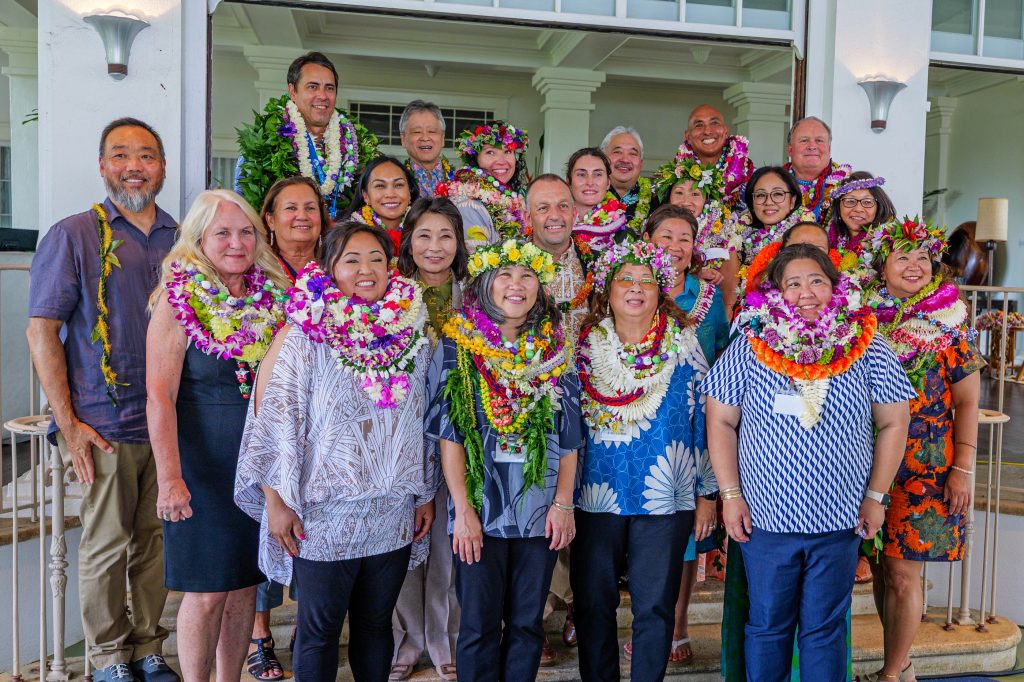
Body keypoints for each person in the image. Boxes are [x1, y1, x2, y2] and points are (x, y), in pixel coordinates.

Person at [702, 244, 916, 681]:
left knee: (824, 630)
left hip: (840, 517)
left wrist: (876, 496)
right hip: (766, 519)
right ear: (777, 293)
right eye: (793, 283)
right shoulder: (751, 344)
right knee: (767, 626)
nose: (806, 293)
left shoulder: (867, 345)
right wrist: (730, 495)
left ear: (835, 287)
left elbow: (895, 421)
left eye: (817, 281)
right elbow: (720, 420)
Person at [235, 221, 436, 680]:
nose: (366, 270)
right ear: (329, 269)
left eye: (377, 259)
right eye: (352, 260)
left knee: (375, 624)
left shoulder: (413, 336)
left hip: (390, 512)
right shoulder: (304, 337)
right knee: (320, 630)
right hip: (322, 516)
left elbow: (423, 422)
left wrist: (424, 493)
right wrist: (276, 501)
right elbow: (276, 420)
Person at [26, 118, 179, 682]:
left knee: (155, 544)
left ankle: (148, 647)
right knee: (106, 545)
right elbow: (42, 331)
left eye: (146, 156)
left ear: (162, 167)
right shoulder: (73, 235)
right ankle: (110, 658)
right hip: (104, 422)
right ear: (102, 166)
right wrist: (68, 424)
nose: (134, 166)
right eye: (120, 155)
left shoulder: (183, 238)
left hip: (168, 423)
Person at [147, 190, 289, 682]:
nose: (236, 242)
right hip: (201, 466)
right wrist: (170, 478)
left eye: (246, 231)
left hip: (257, 467)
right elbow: (158, 396)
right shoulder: (178, 299)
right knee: (207, 592)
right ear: (198, 239)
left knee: (245, 586)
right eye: (222, 233)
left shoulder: (272, 297)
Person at [426, 237, 582, 681]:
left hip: (540, 511)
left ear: (540, 287)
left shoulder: (556, 351)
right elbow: (450, 437)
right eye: (506, 275)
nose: (517, 284)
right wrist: (462, 510)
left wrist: (563, 503)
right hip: (479, 509)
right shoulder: (458, 348)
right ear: (485, 284)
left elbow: (570, 438)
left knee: (527, 624)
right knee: (477, 626)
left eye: (527, 275)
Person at [573, 237, 716, 680]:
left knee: (655, 606)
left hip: (666, 496)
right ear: (608, 290)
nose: (636, 288)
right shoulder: (584, 348)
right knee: (593, 603)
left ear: (660, 292)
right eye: (625, 279)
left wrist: (708, 495)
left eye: (646, 280)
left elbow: (704, 420)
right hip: (595, 494)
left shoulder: (685, 345)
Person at [859, 217, 984, 682]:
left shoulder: (949, 324)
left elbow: (968, 401)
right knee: (880, 567)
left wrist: (963, 467)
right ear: (882, 267)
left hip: (925, 468)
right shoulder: (863, 321)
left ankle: (892, 675)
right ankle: (901, 665)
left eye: (922, 258)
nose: (914, 265)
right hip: (868, 463)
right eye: (902, 257)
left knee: (903, 573)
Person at [633, 204, 728, 664]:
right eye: (664, 237)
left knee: (686, 534)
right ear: (647, 241)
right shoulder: (630, 286)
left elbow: (723, 356)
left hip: (691, 429)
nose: (674, 247)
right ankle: (647, 622)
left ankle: (677, 626)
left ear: (694, 248)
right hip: (636, 424)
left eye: (684, 239)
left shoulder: (708, 298)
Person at [390, 197, 469, 681]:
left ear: (459, 242)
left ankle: (445, 638)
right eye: (424, 235)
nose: (435, 246)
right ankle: (405, 640)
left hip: (458, 437)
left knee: (448, 544)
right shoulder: (389, 296)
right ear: (408, 242)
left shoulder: (477, 296)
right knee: (402, 543)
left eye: (445, 235)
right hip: (400, 440)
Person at [235, 51, 378, 218]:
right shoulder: (264, 145)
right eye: (312, 87)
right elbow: (246, 212)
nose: (322, 95)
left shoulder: (355, 144)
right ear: (292, 91)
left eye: (329, 88)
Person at [437, 120, 528, 251]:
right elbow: (476, 259)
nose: (501, 161)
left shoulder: (514, 199)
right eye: (490, 152)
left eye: (508, 151)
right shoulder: (468, 204)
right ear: (475, 158)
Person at [527, 173, 590, 345]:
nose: (555, 215)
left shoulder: (598, 263)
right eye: (543, 208)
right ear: (528, 217)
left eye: (563, 206)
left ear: (574, 214)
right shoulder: (506, 267)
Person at [655, 154, 732, 284]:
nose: (686, 202)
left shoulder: (723, 232)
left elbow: (730, 287)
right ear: (668, 198)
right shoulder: (654, 227)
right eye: (679, 192)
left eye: (695, 194)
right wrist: (695, 274)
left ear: (706, 200)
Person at [674, 104, 754, 210]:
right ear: (688, 136)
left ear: (725, 131)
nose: (707, 131)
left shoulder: (752, 177)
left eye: (714, 123)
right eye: (699, 125)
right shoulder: (673, 178)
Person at [347, 155, 421, 254]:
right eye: (380, 186)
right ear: (366, 196)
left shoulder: (423, 226)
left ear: (410, 193)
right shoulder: (348, 235)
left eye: (399, 185)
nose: (390, 194)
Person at [784, 116, 852, 220]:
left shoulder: (849, 185)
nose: (812, 146)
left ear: (829, 149)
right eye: (804, 140)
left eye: (819, 140)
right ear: (790, 150)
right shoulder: (773, 183)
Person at [567, 147, 628, 261]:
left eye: (598, 174)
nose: (590, 182)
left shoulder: (624, 235)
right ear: (569, 181)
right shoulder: (555, 226)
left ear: (608, 183)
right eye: (581, 174)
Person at [822, 171, 896, 256]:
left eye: (867, 202)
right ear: (838, 207)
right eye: (850, 201)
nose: (858, 209)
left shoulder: (890, 244)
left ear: (879, 207)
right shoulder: (824, 240)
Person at [600, 126, 655, 237]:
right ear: (603, 159)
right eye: (617, 152)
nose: (625, 159)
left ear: (641, 163)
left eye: (633, 153)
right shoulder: (589, 195)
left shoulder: (657, 200)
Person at [400, 100, 453, 197]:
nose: (425, 138)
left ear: (442, 138)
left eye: (431, 131)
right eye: (417, 132)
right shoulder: (397, 181)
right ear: (403, 139)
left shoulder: (460, 181)